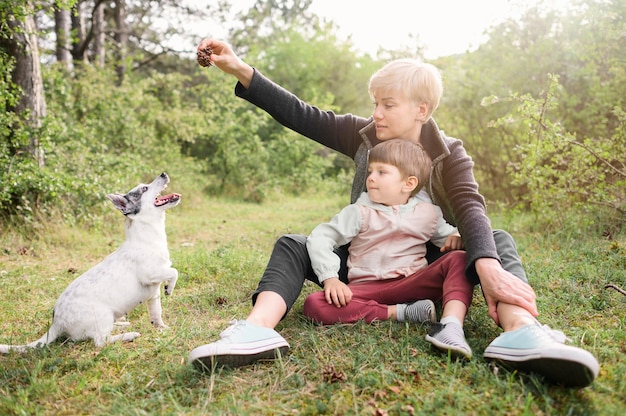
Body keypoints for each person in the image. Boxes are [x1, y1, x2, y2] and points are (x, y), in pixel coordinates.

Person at [188, 38, 599, 388]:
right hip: (362, 266)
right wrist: (240, 68)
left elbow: (471, 206)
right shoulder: (363, 135)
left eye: (388, 104)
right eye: (375, 104)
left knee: (498, 241)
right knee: (292, 246)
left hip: (424, 266)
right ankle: (256, 331)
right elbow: (303, 114)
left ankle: (521, 332)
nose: (377, 114)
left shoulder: (450, 152)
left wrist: (487, 266)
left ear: (421, 109)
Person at [303, 139, 473, 359]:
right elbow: (321, 237)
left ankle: (450, 325)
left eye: (382, 172)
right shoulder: (359, 212)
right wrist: (330, 279)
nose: (371, 177)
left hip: (412, 284)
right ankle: (402, 313)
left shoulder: (429, 213)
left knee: (458, 259)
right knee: (314, 303)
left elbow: (449, 237)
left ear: (408, 183)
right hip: (366, 288)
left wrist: (458, 235)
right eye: (371, 171)